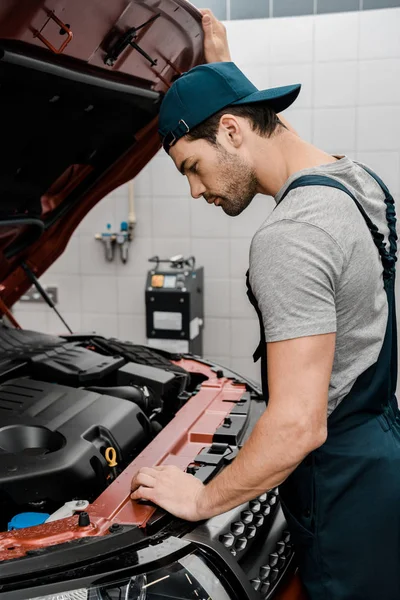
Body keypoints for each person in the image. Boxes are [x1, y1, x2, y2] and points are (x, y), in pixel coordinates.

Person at [131, 10, 400, 600]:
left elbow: (298, 425)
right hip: (381, 458)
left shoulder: (289, 237)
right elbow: (259, 126)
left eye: (192, 169)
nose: (197, 192)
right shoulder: (355, 181)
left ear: (230, 131)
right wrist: (223, 69)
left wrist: (201, 497)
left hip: (339, 490)